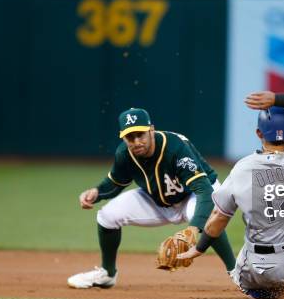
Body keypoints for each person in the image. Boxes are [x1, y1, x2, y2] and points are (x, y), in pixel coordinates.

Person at [178, 91, 284, 299]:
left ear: (259, 133)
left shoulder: (243, 169)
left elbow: (217, 220)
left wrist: (199, 249)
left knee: (242, 276)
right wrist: (276, 99)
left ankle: (275, 289)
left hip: (266, 265)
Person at [67, 107, 236, 288]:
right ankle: (107, 274)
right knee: (107, 216)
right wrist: (97, 192)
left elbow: (204, 191)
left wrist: (194, 228)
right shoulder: (124, 153)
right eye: (130, 137)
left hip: (196, 195)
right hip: (158, 199)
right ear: (123, 137)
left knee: (207, 217)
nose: (137, 141)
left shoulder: (175, 147)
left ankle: (236, 272)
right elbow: (116, 182)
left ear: (152, 130)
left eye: (141, 134)